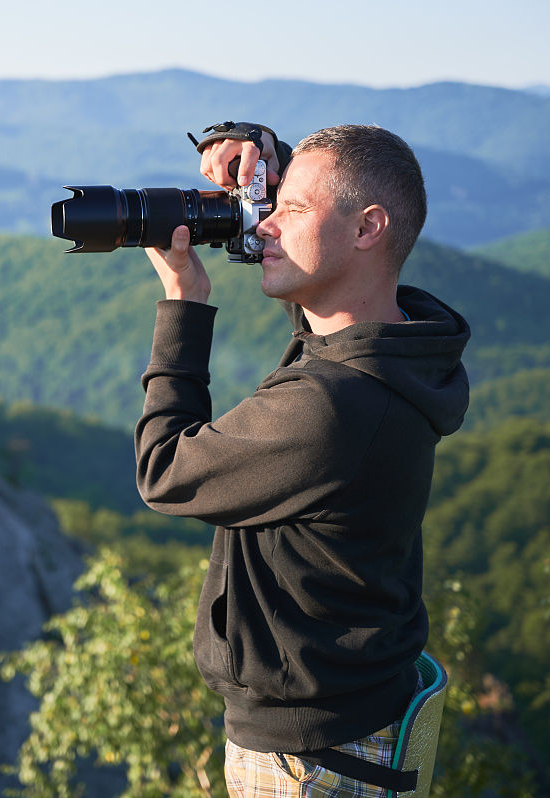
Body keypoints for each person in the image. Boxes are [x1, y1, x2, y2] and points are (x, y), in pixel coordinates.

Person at [135, 123, 470, 796]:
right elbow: (324, 304)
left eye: (290, 210)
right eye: (274, 203)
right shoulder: (393, 351)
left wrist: (184, 305)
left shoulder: (333, 405)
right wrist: (261, 155)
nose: (263, 228)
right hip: (354, 725)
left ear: (368, 229)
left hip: (308, 763)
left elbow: (165, 470)